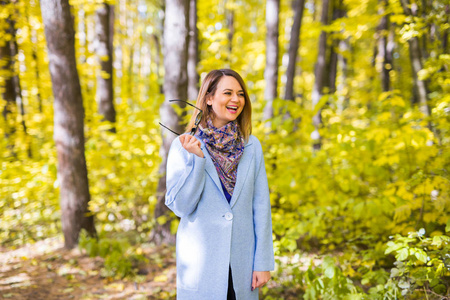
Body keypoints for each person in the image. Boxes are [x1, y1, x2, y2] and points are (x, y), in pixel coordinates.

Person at [165, 69, 275, 299]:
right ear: (209, 98)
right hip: (201, 266)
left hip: (242, 264)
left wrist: (263, 261)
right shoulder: (184, 145)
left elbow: (261, 206)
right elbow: (181, 207)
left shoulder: (252, 146)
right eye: (228, 93)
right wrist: (196, 159)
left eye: (240, 93)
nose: (236, 99)